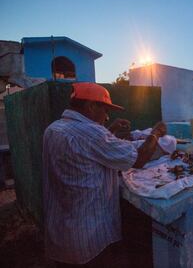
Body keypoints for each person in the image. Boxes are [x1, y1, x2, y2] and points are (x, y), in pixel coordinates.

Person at [42, 82, 166, 267]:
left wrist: (111, 130)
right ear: (91, 106)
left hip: (61, 231)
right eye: (105, 110)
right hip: (88, 237)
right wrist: (155, 133)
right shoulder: (92, 133)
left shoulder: (54, 128)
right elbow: (139, 159)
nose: (107, 117)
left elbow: (85, 149)